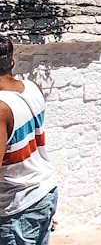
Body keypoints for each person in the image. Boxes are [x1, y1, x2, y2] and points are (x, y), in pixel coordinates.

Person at [0, 35, 58, 244]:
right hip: (44, 191)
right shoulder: (33, 88)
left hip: (18, 206)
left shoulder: (2, 108)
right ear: (12, 62)